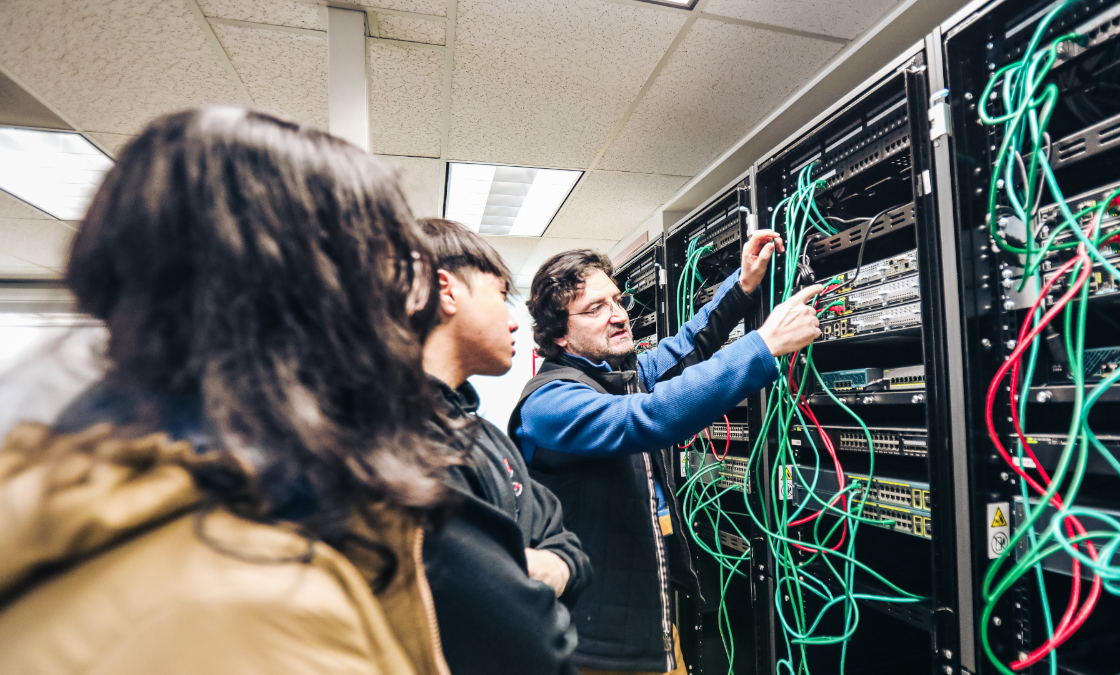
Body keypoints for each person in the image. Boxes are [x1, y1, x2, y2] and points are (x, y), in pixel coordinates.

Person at [0, 107, 453, 675]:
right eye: (387, 269)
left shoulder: (111, 486)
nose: (411, 313)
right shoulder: (252, 603)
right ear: (320, 301)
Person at [508, 234, 822, 674]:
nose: (618, 316)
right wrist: (762, 346)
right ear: (558, 333)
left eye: (617, 301)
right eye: (596, 308)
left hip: (649, 624)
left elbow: (686, 347)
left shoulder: (617, 376)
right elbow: (644, 418)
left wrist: (743, 286)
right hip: (592, 646)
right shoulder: (549, 402)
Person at [417, 218, 591, 675]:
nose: (514, 321)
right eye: (500, 296)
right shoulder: (410, 445)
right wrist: (533, 581)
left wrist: (555, 567)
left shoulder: (483, 435)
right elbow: (511, 633)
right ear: (446, 291)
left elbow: (567, 545)